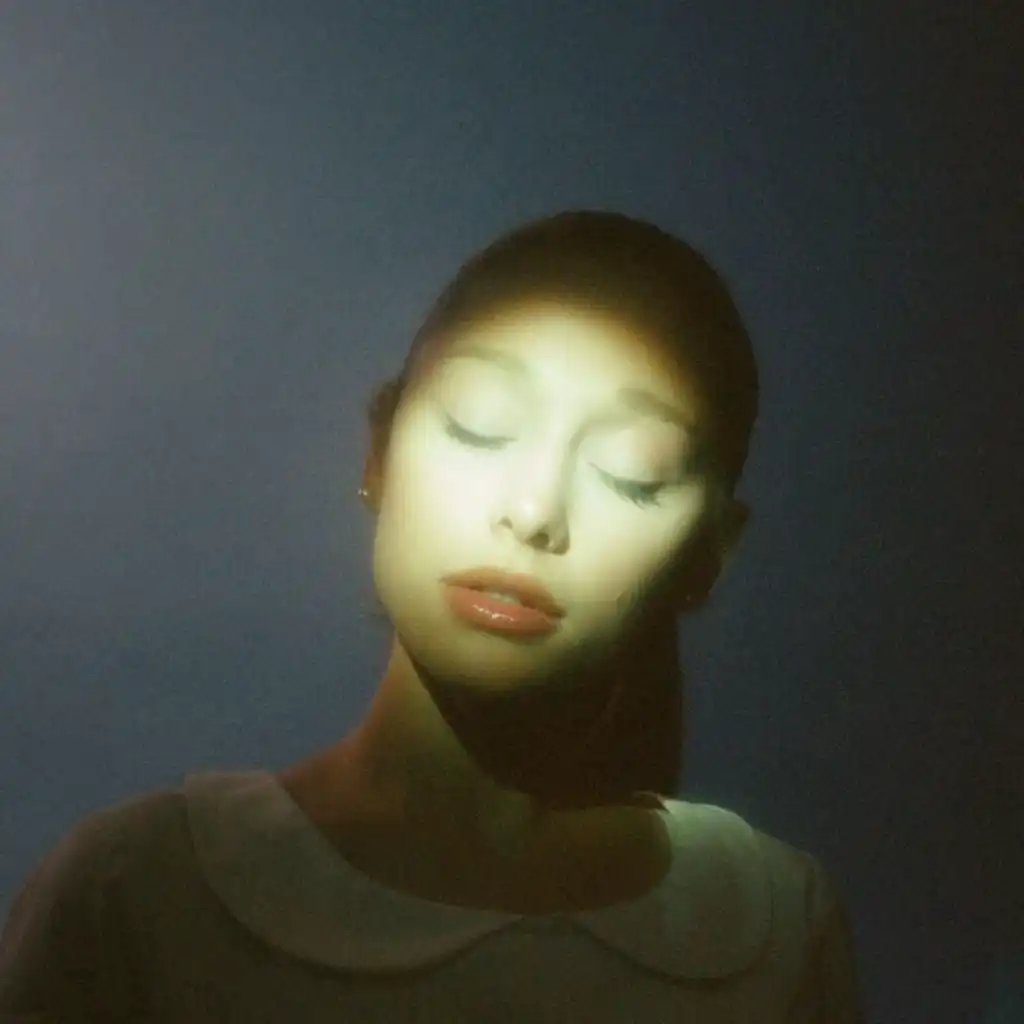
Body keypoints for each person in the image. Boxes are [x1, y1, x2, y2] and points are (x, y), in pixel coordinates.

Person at [0, 210, 864, 1020]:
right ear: (379, 453)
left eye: (634, 473)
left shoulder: (771, 926)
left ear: (709, 555)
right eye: (479, 425)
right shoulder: (140, 892)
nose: (533, 511)